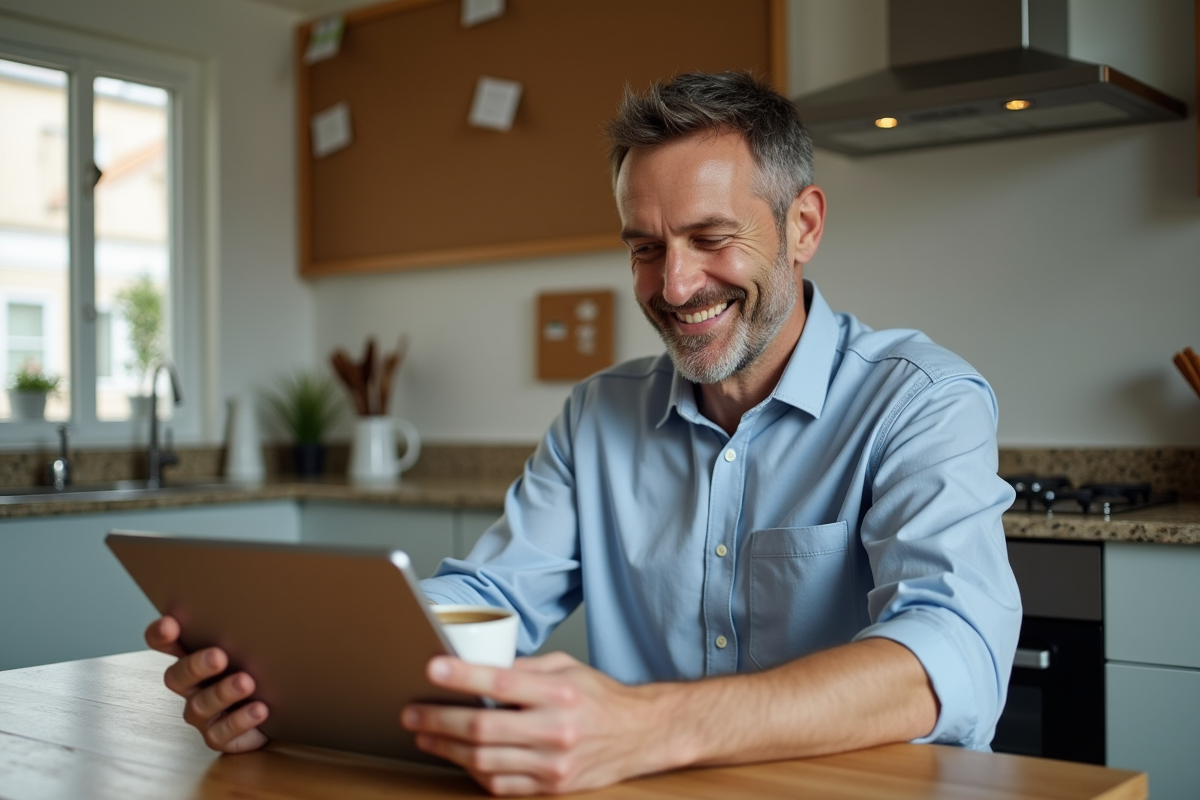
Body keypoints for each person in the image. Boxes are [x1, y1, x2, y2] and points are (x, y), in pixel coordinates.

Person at [147, 72, 1021, 796]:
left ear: (803, 226)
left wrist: (652, 724)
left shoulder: (924, 401)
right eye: (644, 248)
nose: (674, 286)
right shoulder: (601, 415)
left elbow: (952, 654)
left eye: (710, 239)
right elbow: (491, 598)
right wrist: (288, 677)